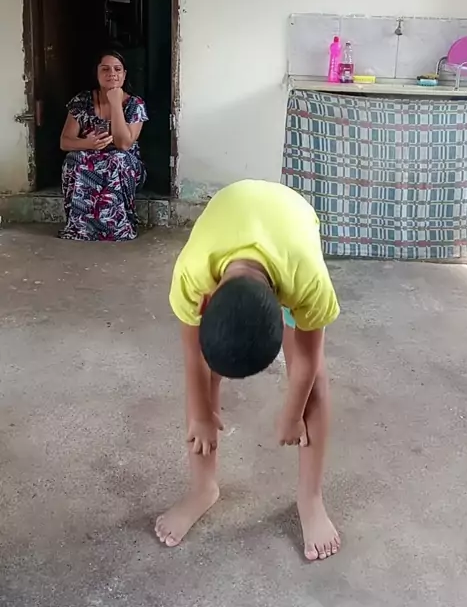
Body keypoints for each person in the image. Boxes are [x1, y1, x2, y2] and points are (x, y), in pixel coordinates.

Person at [156, 179, 341, 561]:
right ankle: (203, 489)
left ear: (286, 312)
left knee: (314, 382)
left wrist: (292, 415)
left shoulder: (307, 282)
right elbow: (193, 357)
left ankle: (310, 499)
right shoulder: (192, 275)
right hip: (232, 210)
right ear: (205, 303)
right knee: (202, 378)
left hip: (290, 219)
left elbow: (307, 361)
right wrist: (201, 413)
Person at [59, 50, 148, 242]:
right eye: (105, 69)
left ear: (124, 74)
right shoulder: (82, 101)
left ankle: (118, 228)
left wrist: (115, 103)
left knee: (117, 159)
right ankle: (80, 228)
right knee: (74, 159)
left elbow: (124, 144)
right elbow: (65, 142)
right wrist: (87, 143)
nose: (112, 74)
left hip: (126, 163)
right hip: (89, 154)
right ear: (97, 73)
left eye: (117, 69)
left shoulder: (135, 104)